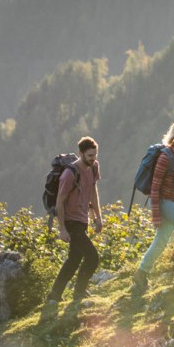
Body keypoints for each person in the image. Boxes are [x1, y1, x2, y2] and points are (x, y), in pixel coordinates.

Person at [131, 118, 174, 302]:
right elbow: (154, 187)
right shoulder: (165, 156)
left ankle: (140, 274)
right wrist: (155, 215)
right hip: (163, 202)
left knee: (160, 242)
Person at [42, 136, 104, 322]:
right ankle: (79, 292)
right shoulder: (69, 174)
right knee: (92, 257)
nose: (93, 158)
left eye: (95, 155)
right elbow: (60, 202)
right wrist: (62, 229)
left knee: (74, 259)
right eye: (89, 155)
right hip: (70, 221)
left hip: (83, 218)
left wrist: (97, 217)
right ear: (81, 153)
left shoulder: (94, 167)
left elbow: (93, 191)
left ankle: (54, 295)